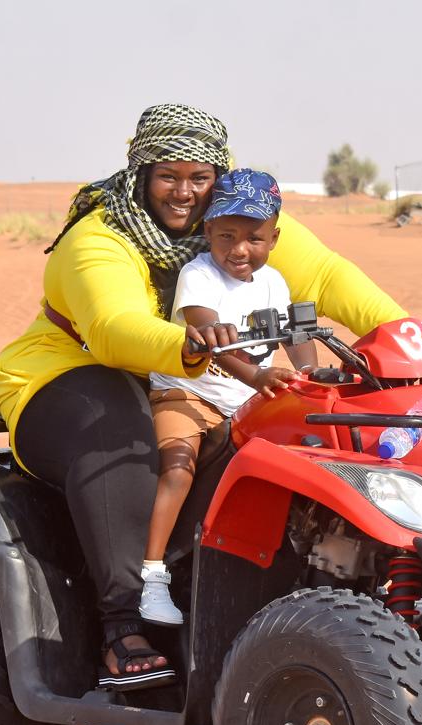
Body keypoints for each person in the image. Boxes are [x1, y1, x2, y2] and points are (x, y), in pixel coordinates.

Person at [0, 104, 407, 691]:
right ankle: (121, 625)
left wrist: (402, 333)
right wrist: (195, 345)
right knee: (116, 427)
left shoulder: (233, 225)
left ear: (218, 177)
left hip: (193, 377)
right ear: (140, 173)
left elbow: (327, 277)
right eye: (167, 176)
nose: (183, 193)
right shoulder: (100, 237)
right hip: (68, 371)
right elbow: (111, 328)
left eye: (198, 178)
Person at [140, 168, 312, 624]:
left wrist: (316, 374)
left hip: (246, 403)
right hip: (187, 394)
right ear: (208, 232)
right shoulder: (198, 276)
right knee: (178, 466)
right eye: (226, 236)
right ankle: (152, 577)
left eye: (253, 238)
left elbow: (296, 336)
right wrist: (256, 376)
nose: (239, 249)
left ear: (273, 237)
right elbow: (208, 335)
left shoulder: (274, 282)